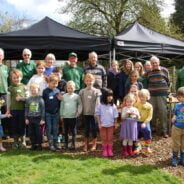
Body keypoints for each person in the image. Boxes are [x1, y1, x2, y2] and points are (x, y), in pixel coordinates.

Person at [146, 56, 170, 138]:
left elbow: (168, 82)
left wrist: (166, 91)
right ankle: (153, 129)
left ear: (159, 62)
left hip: (162, 95)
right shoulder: (148, 72)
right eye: (152, 63)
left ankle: (164, 131)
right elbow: (147, 82)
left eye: (156, 62)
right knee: (152, 112)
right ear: (151, 64)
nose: (154, 64)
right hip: (152, 95)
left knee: (163, 112)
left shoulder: (164, 70)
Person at [80, 74, 101, 152]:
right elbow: (80, 103)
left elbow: (98, 104)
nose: (89, 82)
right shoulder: (82, 91)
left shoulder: (96, 91)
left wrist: (97, 114)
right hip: (85, 114)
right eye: (87, 81)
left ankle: (94, 144)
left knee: (94, 129)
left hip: (94, 114)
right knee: (86, 129)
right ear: (85, 81)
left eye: (91, 81)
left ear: (94, 81)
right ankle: (86, 144)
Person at [95, 88, 118, 157]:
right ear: (104, 96)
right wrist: (99, 123)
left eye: (111, 96)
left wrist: (115, 123)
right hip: (103, 125)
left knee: (110, 137)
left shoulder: (113, 106)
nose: (110, 97)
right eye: (108, 96)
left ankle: (110, 150)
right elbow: (97, 115)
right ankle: (105, 150)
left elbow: (115, 115)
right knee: (104, 137)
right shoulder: (100, 106)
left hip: (111, 125)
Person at [7, 69, 27, 149]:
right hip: (13, 110)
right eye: (14, 78)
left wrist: (22, 99)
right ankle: (15, 141)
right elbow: (8, 100)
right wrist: (8, 110)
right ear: (11, 79)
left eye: (18, 77)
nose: (16, 79)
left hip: (22, 110)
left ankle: (23, 141)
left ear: (21, 77)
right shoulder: (10, 88)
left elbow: (27, 98)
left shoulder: (24, 87)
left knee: (21, 125)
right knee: (14, 126)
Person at [60, 81, 82, 150]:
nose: (70, 89)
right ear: (66, 88)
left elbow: (80, 104)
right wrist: (61, 115)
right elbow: (62, 106)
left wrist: (79, 112)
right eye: (68, 88)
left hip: (73, 117)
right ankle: (66, 144)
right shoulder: (64, 96)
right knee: (65, 131)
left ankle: (73, 144)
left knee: (73, 131)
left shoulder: (76, 96)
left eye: (71, 88)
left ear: (74, 88)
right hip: (65, 116)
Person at [43, 75, 61, 151]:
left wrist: (60, 100)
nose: (55, 85)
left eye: (56, 83)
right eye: (53, 83)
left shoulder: (57, 91)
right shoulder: (45, 91)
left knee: (55, 128)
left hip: (56, 113)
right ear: (49, 82)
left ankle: (56, 142)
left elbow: (59, 102)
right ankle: (50, 143)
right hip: (47, 113)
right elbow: (43, 103)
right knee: (49, 128)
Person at [25, 83, 45, 151]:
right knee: (31, 132)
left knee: (38, 132)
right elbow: (26, 109)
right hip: (30, 118)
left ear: (38, 90)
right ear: (30, 90)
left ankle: (39, 145)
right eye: (32, 89)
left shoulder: (40, 99)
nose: (33, 90)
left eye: (35, 89)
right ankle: (33, 145)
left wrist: (42, 119)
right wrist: (26, 118)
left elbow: (43, 109)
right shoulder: (28, 99)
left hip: (38, 118)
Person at [134, 89, 153, 155]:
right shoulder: (136, 105)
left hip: (145, 122)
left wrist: (145, 123)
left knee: (147, 131)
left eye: (143, 97)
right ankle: (138, 147)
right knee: (135, 134)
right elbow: (134, 113)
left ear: (147, 97)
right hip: (137, 122)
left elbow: (150, 116)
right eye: (140, 96)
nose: (142, 98)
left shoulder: (149, 106)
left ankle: (147, 147)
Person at [171, 87, 184, 167]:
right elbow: (175, 113)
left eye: (180, 97)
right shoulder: (177, 105)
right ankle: (175, 158)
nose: (178, 98)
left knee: (183, 144)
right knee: (176, 143)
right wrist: (174, 117)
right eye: (177, 97)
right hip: (177, 128)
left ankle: (182, 158)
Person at [0, 48, 9, 137]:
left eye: (0, 55)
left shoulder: (6, 68)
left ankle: (5, 133)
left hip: (3, 94)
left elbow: (9, 81)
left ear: (3, 57)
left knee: (4, 112)